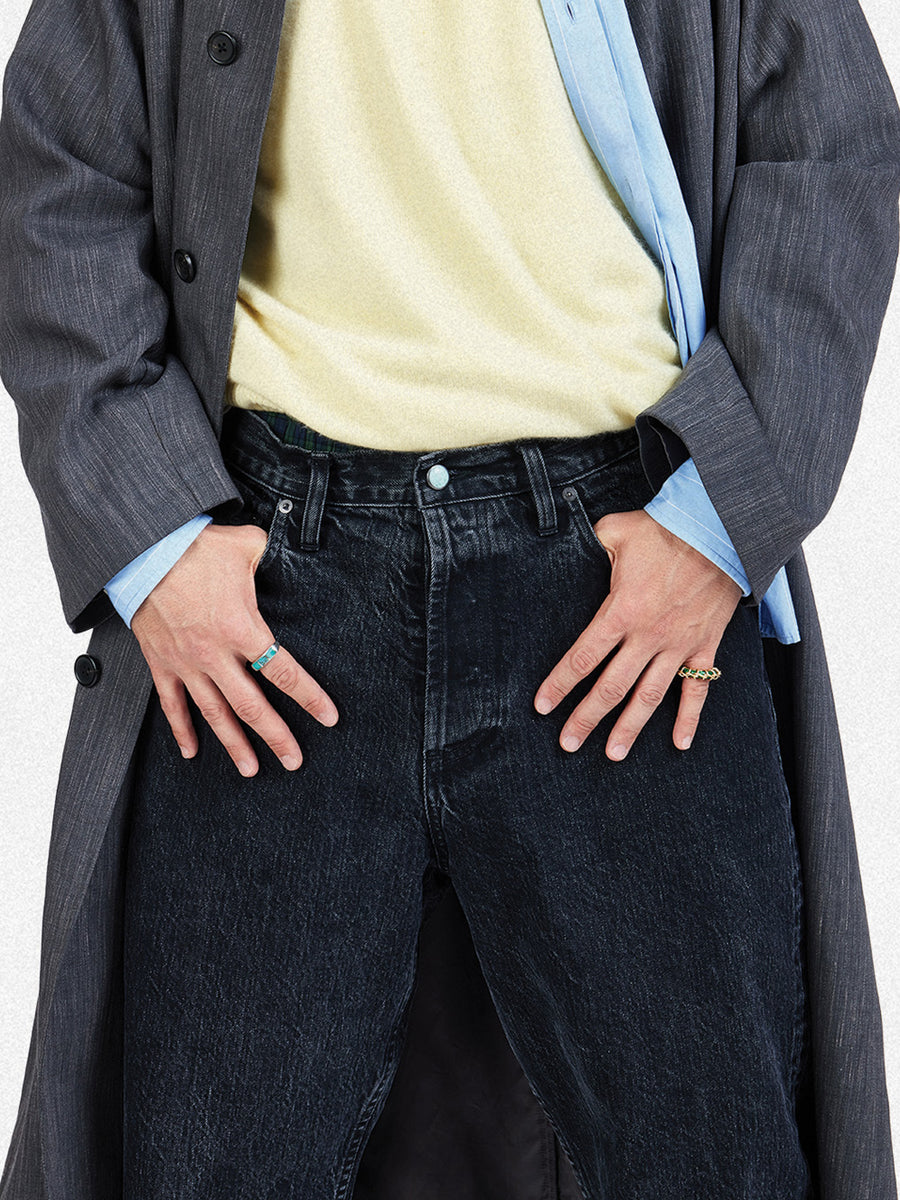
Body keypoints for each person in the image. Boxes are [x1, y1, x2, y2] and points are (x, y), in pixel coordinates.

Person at [0, 0, 898, 1196]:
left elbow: (832, 149)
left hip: (622, 585)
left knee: (712, 1160)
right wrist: (152, 536)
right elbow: (57, 167)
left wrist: (722, 517)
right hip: (272, 594)